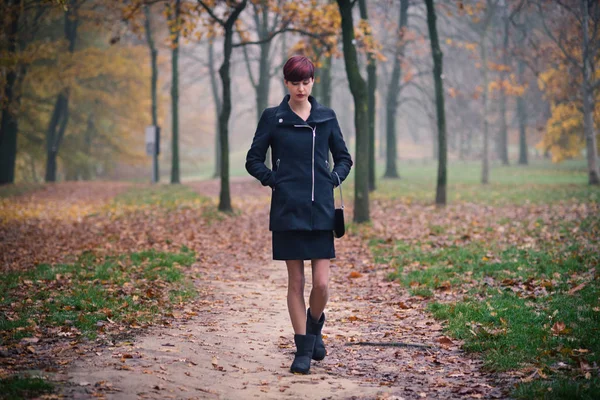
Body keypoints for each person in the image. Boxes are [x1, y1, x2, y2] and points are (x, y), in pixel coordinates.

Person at [245, 55, 353, 374]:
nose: (301, 88)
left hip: (321, 211)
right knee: (296, 281)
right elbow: (254, 160)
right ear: (286, 83)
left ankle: (314, 326)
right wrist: (275, 180)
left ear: (313, 82)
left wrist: (332, 179)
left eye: (306, 82)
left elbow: (344, 158)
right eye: (295, 82)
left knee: (320, 284)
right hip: (287, 211)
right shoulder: (273, 118)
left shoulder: (326, 118)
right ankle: (303, 350)